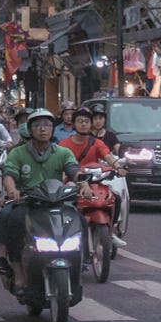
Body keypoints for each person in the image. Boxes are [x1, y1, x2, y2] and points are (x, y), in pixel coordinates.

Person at [0, 109, 91, 289]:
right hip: (27, 202)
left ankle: (83, 259)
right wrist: (12, 190)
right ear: (30, 130)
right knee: (9, 217)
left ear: (53, 129)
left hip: (57, 200)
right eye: (37, 125)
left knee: (80, 221)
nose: (42, 129)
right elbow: (9, 175)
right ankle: (15, 270)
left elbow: (74, 171)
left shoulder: (63, 152)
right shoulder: (18, 153)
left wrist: (83, 184)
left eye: (47, 125)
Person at [58, 106, 128, 248]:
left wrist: (118, 167)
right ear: (74, 124)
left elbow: (107, 156)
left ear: (90, 124)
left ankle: (110, 231)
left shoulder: (96, 142)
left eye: (86, 121)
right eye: (80, 121)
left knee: (116, 198)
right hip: (72, 182)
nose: (83, 124)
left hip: (95, 181)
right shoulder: (64, 145)